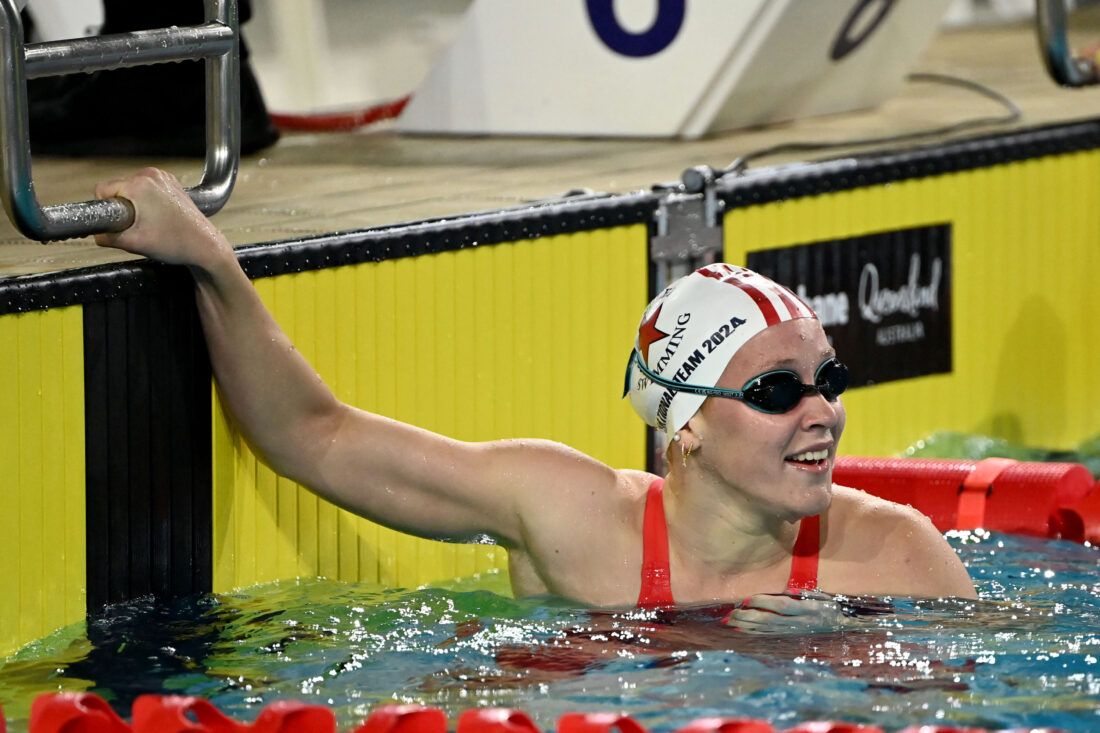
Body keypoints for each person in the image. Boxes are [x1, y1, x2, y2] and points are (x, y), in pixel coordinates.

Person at [93, 168, 977, 633]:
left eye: (828, 379)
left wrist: (846, 651)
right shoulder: (570, 516)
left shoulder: (895, 558)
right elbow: (313, 436)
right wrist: (210, 257)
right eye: (777, 390)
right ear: (688, 426)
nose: (821, 410)